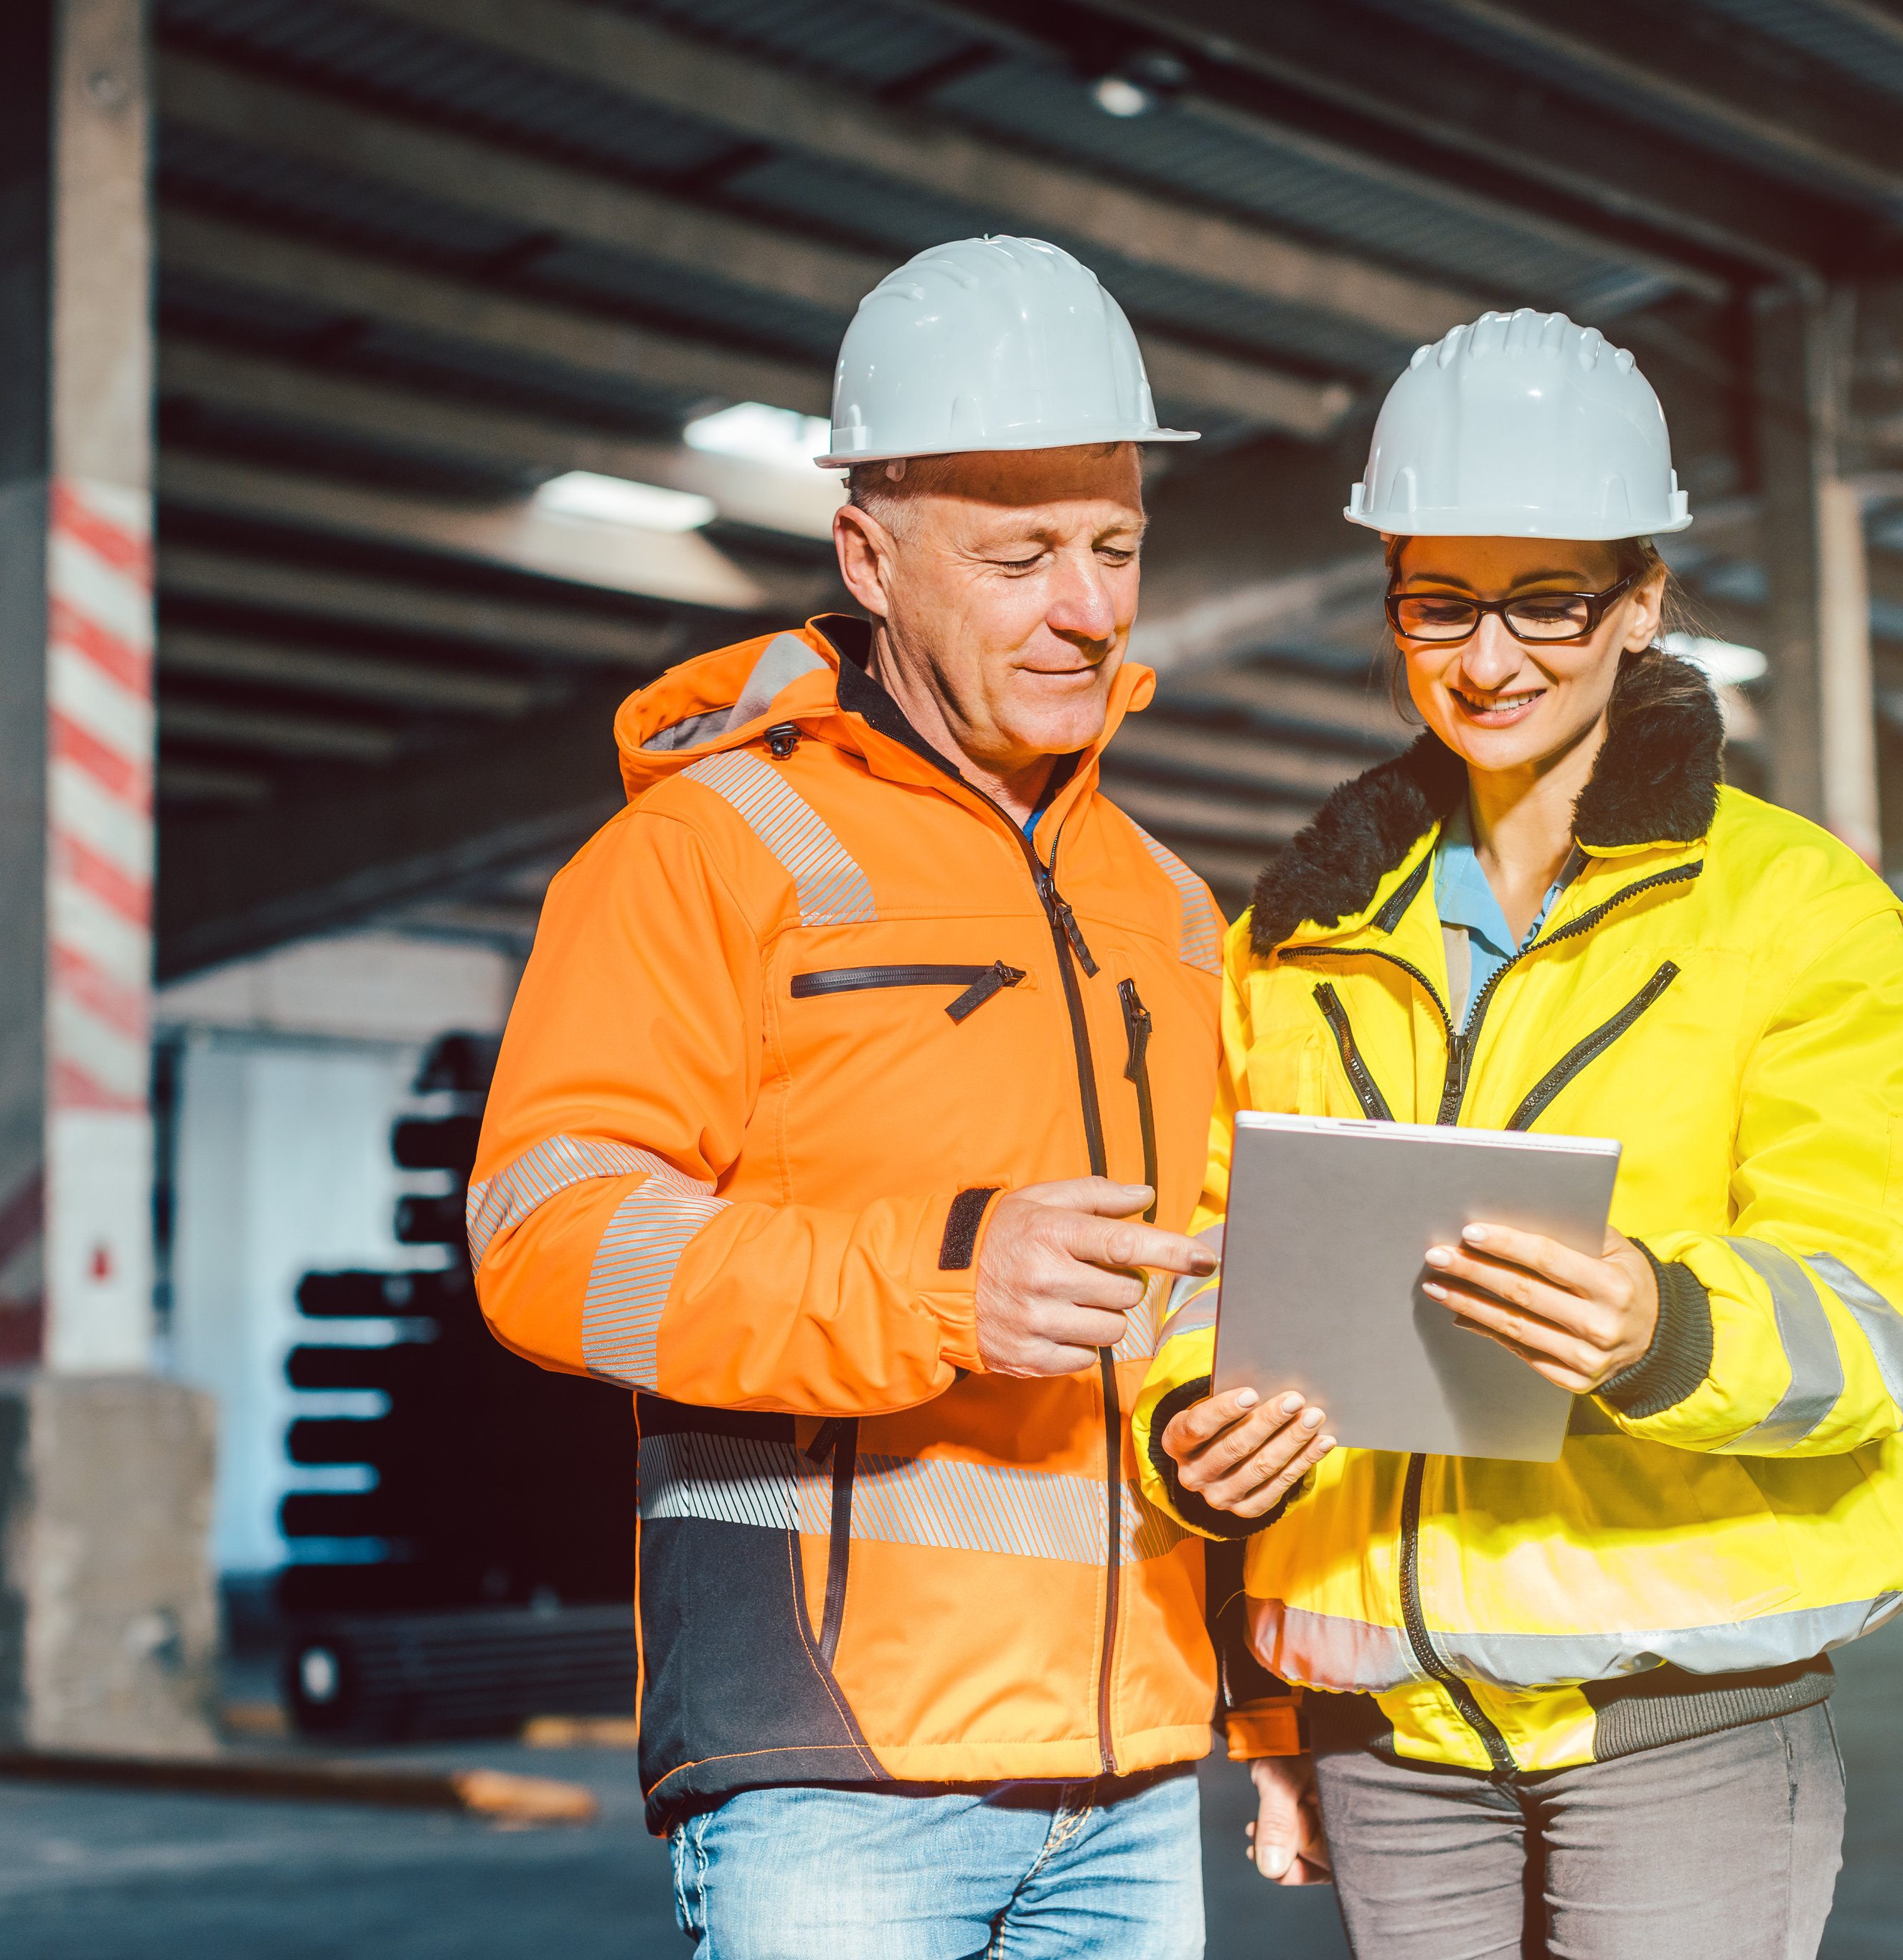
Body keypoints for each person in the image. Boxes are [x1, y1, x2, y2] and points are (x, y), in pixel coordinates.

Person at [470, 236, 1294, 1959]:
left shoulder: (1166, 907)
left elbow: (1196, 1309)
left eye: (1113, 547)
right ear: (868, 550)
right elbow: (542, 1235)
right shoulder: (705, 852)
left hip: (1134, 1763)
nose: (1086, 608)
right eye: (1017, 557)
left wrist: (1247, 1571)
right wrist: (936, 1283)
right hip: (829, 1770)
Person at [1135, 310, 1903, 1959]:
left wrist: (1665, 1323)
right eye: (1437, 603)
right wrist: (1190, 1430)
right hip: (1385, 1728)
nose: (1487, 658)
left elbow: (1883, 1309)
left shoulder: (1795, 914)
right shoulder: (1293, 941)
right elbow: (1199, 1261)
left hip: (1681, 1716)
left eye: (1548, 602)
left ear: (1639, 605)